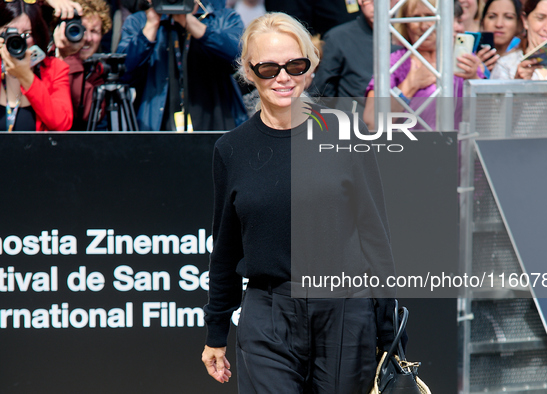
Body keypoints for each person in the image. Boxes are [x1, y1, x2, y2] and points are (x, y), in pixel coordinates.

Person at [202, 12, 396, 393]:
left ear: (312, 66)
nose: (283, 77)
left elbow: (375, 235)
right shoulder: (231, 150)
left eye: (295, 64)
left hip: (344, 310)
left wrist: (390, 331)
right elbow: (225, 249)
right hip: (267, 313)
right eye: (268, 67)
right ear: (248, 69)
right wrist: (215, 332)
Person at [116, 0, 247, 131]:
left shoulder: (223, 18)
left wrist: (194, 25)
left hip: (215, 124)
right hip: (157, 128)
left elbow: (241, 60)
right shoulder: (139, 21)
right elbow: (122, 74)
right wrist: (151, 25)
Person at [363, 0, 482, 130]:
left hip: (459, 148)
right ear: (405, 23)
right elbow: (371, 121)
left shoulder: (464, 59)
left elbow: (490, 114)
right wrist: (410, 86)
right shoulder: (395, 62)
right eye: (416, 17)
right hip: (412, 148)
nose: (424, 26)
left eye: (430, 16)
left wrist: (474, 79)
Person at [0, 0, 73, 132]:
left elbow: (62, 124)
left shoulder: (55, 69)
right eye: (9, 32)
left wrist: (27, 77)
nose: (18, 40)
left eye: (26, 34)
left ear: (37, 36)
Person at [311, 0, 398, 104]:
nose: (376, 4)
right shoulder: (338, 37)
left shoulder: (410, 36)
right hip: (351, 116)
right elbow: (322, 92)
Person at [53, 0, 112, 130]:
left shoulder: (97, 72)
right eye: (81, 30)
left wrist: (70, 57)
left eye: (95, 31)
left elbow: (89, 114)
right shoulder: (47, 60)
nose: (88, 38)